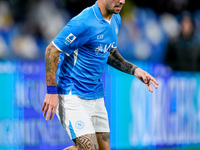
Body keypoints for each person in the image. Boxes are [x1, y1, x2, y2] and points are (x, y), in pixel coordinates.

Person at [42, 0, 159, 149]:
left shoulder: (115, 18)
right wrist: (52, 92)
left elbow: (108, 51)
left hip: (95, 94)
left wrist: (135, 70)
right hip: (71, 92)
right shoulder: (83, 22)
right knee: (89, 147)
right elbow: (52, 50)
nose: (122, 1)